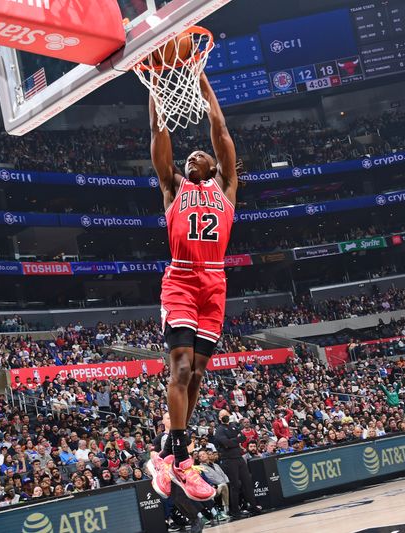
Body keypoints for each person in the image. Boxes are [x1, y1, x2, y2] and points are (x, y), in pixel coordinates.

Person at [147, 70, 238, 503]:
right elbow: (157, 131)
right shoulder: (173, 187)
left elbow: (218, 127)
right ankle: (181, 456)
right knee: (181, 367)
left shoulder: (226, 187)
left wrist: (200, 80)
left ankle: (168, 451)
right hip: (182, 279)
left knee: (198, 373)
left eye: (200, 154)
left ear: (215, 167)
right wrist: (155, 88)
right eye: (189, 155)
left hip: (215, 282)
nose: (192, 156)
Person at [213, 409, 260, 519]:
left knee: (247, 482)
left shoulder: (233, 426)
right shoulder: (219, 430)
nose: (225, 416)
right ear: (219, 418)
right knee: (235, 486)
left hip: (239, 458)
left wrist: (233, 441)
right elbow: (226, 443)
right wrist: (236, 440)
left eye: (226, 414)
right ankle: (235, 511)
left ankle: (254, 507)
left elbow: (243, 437)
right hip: (229, 460)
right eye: (222, 415)